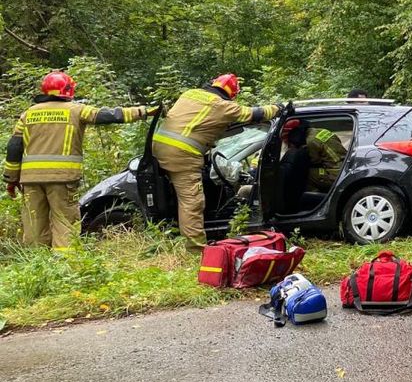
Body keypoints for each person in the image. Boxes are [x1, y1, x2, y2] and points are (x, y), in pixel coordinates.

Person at [3, 71, 155, 249]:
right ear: (68, 90)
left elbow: (14, 148)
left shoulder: (28, 114)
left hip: (31, 180)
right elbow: (109, 115)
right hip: (62, 178)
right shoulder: (76, 110)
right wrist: (143, 111)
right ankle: (65, 261)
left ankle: (36, 260)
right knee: (65, 223)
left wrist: (11, 179)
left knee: (34, 224)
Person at [152, 74, 280, 250]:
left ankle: (169, 231)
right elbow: (254, 114)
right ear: (232, 94)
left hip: (159, 149)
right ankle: (196, 249)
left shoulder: (190, 94)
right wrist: (277, 108)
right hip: (182, 155)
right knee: (192, 201)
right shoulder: (222, 106)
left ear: (214, 83)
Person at [281, 117, 347, 192]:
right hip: (345, 167)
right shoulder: (320, 131)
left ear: (294, 135)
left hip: (336, 175)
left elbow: (308, 162)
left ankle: (314, 194)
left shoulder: (310, 142)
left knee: (300, 172)